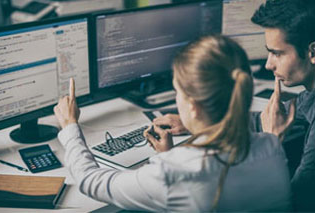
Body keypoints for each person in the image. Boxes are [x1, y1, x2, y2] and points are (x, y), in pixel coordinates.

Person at [54, 35, 291, 212]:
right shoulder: (271, 145)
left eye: (177, 91)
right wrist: (168, 155)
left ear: (193, 106)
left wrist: (69, 126)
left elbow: (90, 181)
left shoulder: (173, 172)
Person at [155, 0, 315, 210]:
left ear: (312, 52)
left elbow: (292, 204)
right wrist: (201, 121)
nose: (268, 64)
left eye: (277, 53)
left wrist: (272, 142)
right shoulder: (309, 97)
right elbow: (270, 117)